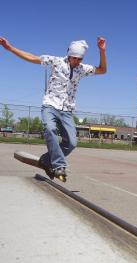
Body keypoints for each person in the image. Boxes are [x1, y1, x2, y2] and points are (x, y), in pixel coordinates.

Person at [0, 36, 107, 180]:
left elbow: (102, 70)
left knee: (71, 143)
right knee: (50, 129)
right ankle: (58, 165)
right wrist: (10, 48)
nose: (76, 62)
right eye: (74, 58)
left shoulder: (82, 69)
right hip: (50, 105)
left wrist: (102, 51)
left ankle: (46, 159)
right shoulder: (55, 61)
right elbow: (33, 58)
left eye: (79, 59)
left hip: (67, 110)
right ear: (69, 54)